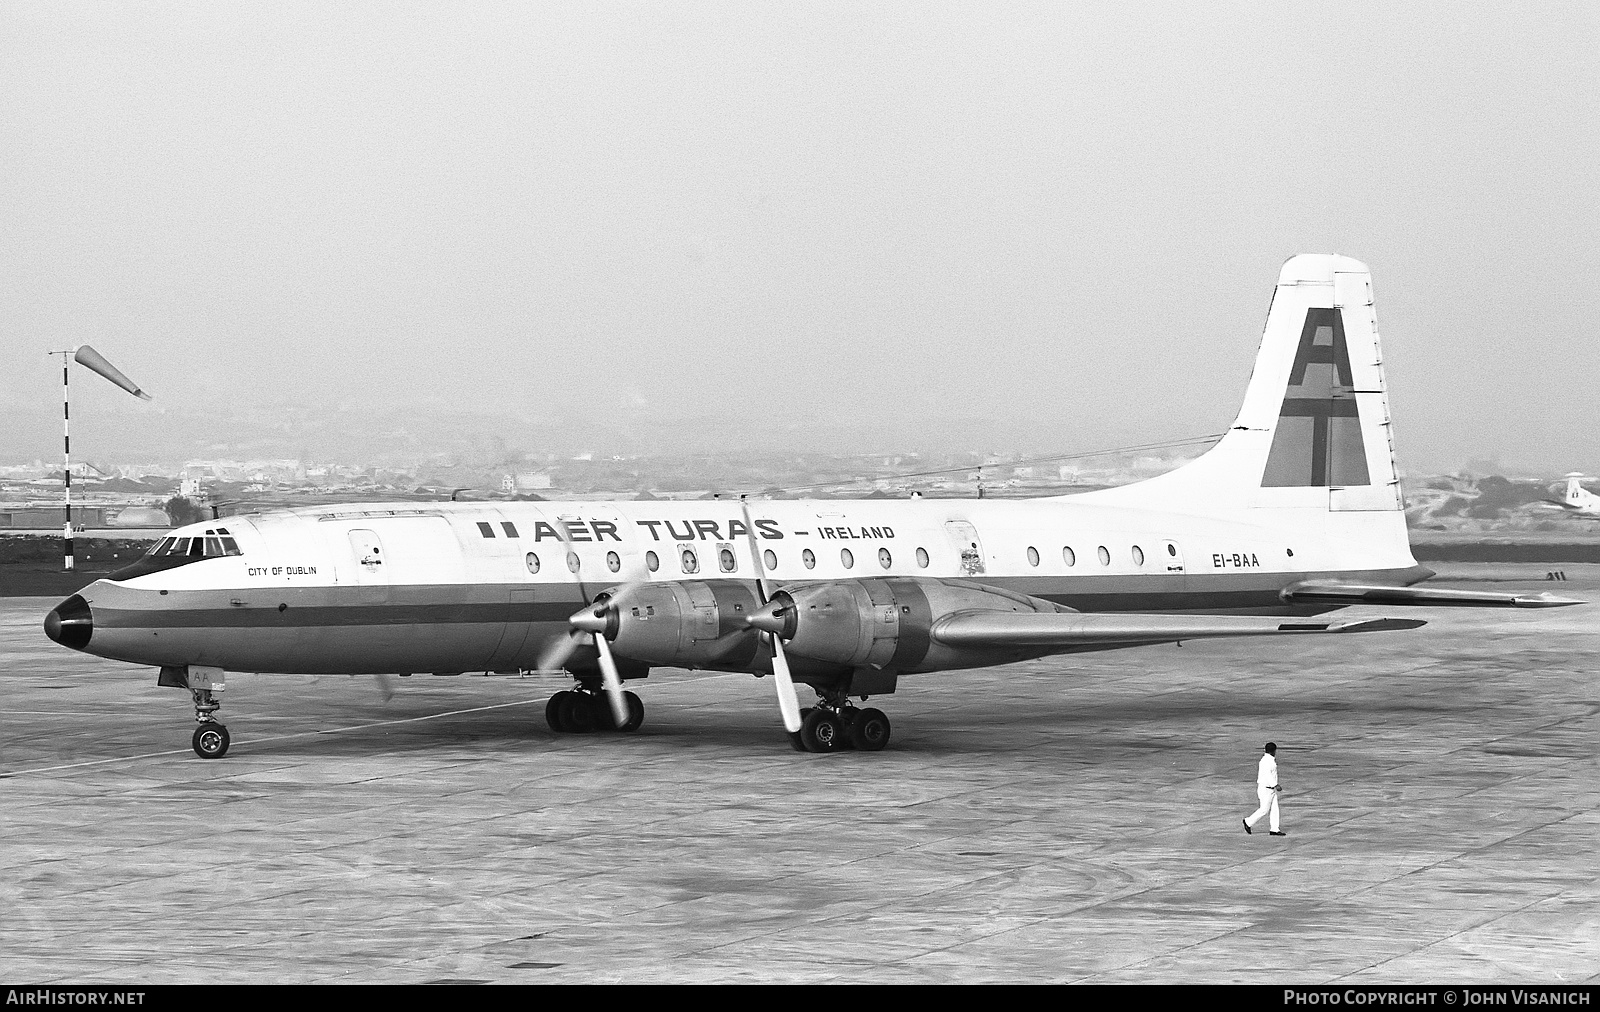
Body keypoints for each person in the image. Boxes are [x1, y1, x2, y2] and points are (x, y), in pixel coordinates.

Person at [1243, 742, 1286, 836]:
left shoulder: (1269, 759)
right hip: (1266, 789)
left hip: (1271, 789)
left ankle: (1274, 829)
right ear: (1273, 751)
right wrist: (1275, 785)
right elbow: (1268, 775)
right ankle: (1248, 821)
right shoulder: (1266, 761)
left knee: (1274, 809)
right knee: (1264, 810)